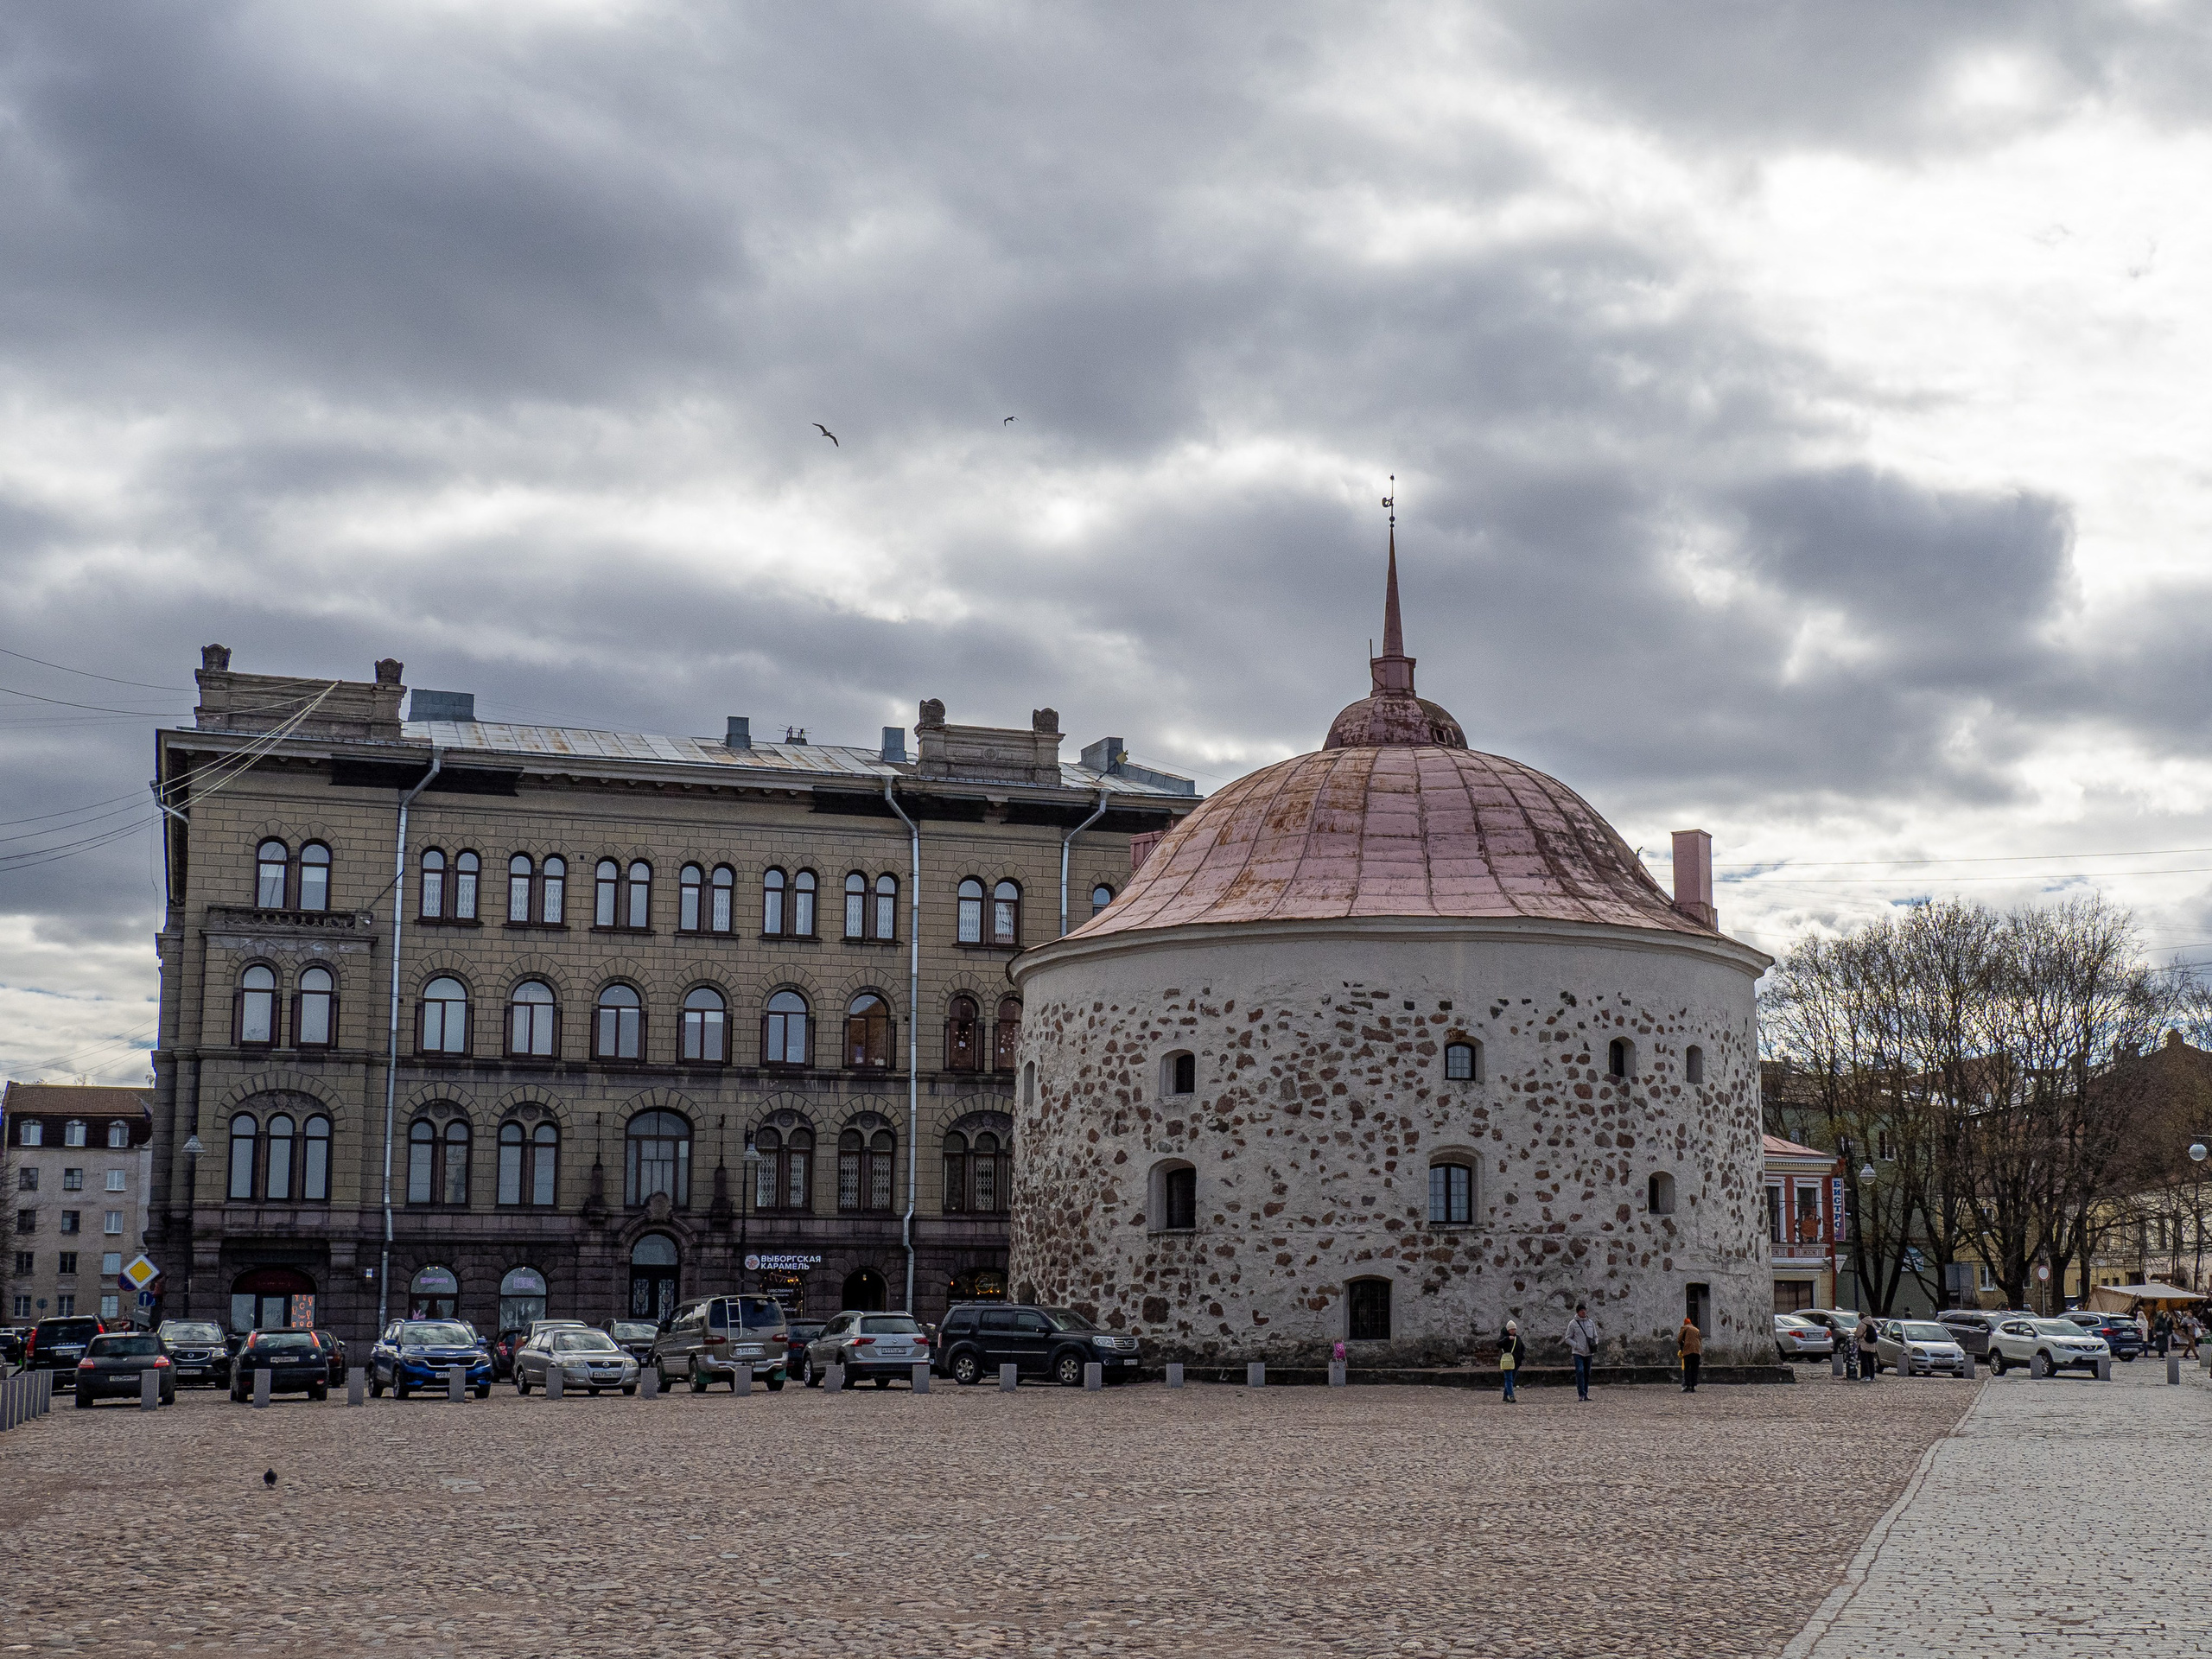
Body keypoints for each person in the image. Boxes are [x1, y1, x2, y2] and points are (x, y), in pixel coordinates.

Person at [1566, 1303, 1598, 1402]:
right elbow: (1567, 1338)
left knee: (1587, 1372)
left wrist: (1595, 1343)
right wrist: (1576, 1346)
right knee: (1580, 1371)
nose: (1583, 1312)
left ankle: (1586, 1393)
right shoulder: (1573, 1324)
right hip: (1578, 1352)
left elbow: (1595, 1336)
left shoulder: (1590, 1323)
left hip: (1589, 1352)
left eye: (1584, 1310)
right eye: (1581, 1310)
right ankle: (1581, 1393)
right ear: (1578, 1312)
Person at [1498, 1319, 1524, 1402]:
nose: (1513, 1331)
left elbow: (1523, 1348)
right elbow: (1498, 1344)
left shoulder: (1518, 1338)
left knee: (1511, 1379)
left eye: (1514, 1329)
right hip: (1507, 1361)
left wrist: (1521, 1357)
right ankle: (1511, 1396)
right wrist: (1507, 1339)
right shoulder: (1503, 1337)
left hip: (1516, 1362)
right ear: (1508, 1330)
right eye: (1511, 1329)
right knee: (1509, 1378)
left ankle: (1505, 1396)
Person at [1676, 1312, 1702, 1393]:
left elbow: (1679, 1339)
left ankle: (1687, 1385)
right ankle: (1693, 1386)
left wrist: (1682, 1345)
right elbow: (1700, 1340)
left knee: (1687, 1368)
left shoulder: (1685, 1328)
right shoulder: (1696, 1329)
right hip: (1697, 1352)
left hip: (1688, 1351)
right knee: (1695, 1369)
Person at [1855, 1315, 1879, 1381]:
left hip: (1864, 1345)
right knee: (1871, 1361)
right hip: (1872, 1346)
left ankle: (1866, 1375)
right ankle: (1872, 1376)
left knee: (1864, 1361)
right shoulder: (1872, 1324)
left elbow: (1858, 1334)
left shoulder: (1861, 1324)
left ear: (1860, 1318)